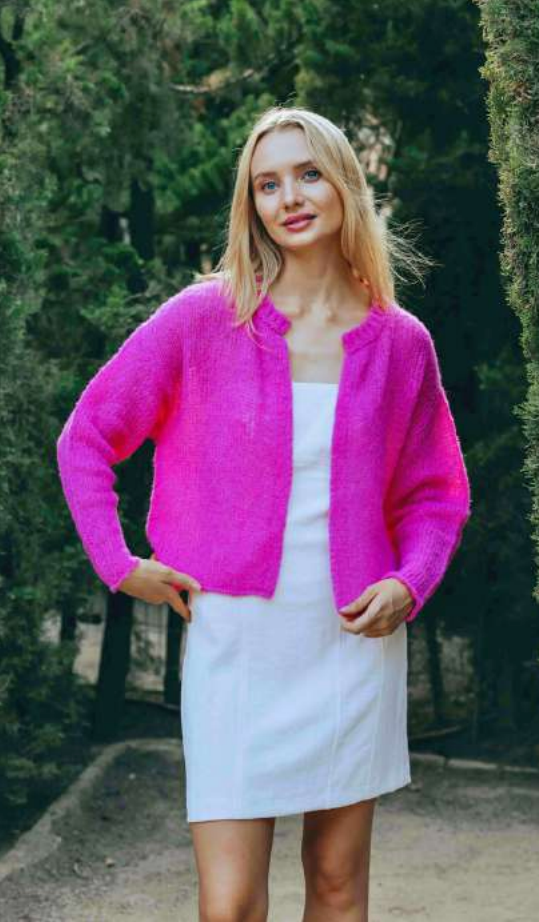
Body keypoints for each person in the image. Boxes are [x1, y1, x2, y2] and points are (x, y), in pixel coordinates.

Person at [56, 105, 472, 921]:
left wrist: (410, 582)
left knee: (338, 887)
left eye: (308, 174)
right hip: (239, 643)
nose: (290, 198)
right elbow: (88, 436)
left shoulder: (401, 343)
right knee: (231, 906)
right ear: (251, 204)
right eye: (268, 183)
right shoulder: (203, 319)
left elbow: (437, 493)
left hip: (352, 639)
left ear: (345, 183)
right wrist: (118, 563)